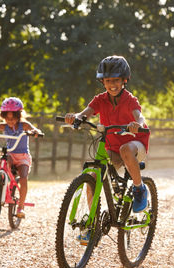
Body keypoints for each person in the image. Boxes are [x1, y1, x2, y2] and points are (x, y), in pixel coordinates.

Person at [65, 55, 150, 243]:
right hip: (111, 145)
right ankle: (92, 223)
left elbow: (140, 116)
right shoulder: (100, 100)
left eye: (117, 80)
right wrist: (76, 118)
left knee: (125, 150)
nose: (113, 84)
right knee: (93, 177)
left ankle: (139, 188)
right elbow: (85, 112)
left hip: (135, 143)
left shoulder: (129, 100)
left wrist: (137, 124)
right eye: (109, 81)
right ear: (103, 81)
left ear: (124, 80)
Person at [0, 97, 42, 219]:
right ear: (3, 116)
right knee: (3, 159)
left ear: (19, 115)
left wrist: (35, 131)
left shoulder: (24, 125)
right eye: (7, 118)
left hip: (23, 156)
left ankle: (21, 207)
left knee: (23, 178)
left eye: (12, 118)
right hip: (11, 154)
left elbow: (34, 128)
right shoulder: (3, 126)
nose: (10, 121)